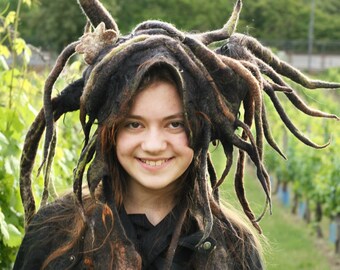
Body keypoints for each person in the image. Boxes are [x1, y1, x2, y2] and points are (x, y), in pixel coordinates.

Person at [13, 0, 339, 269]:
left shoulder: (234, 250)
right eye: (133, 124)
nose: (154, 145)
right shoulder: (54, 235)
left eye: (175, 124)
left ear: (202, 129)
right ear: (109, 130)